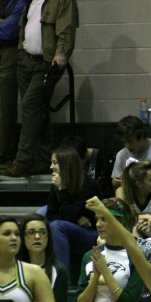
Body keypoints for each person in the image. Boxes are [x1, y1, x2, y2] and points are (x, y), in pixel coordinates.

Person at [1, 0, 77, 178]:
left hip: (46, 63)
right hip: (26, 59)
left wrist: (61, 53)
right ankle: (43, 159)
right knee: (39, 112)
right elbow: (23, 25)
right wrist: (21, 50)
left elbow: (66, 29)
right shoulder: (31, 1)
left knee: (29, 106)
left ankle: (22, 161)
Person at [47, 145, 100, 273]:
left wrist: (62, 191)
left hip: (91, 235)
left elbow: (69, 214)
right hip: (72, 228)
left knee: (56, 226)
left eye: (55, 163)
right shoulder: (57, 185)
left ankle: (62, 279)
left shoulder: (89, 186)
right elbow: (50, 215)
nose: (51, 167)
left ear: (66, 164)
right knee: (39, 215)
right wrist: (76, 219)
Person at [110, 116, 151, 188]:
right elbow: (116, 183)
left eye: (130, 141)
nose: (127, 146)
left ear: (141, 135)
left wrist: (146, 185)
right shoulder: (121, 155)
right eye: (123, 142)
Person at [0, 0, 25, 167]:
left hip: (10, 50)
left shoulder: (21, 2)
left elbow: (9, 30)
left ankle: (4, 153)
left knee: (5, 105)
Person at [117, 159, 151, 224]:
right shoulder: (122, 192)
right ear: (139, 183)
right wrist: (148, 217)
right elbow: (123, 218)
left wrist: (148, 225)